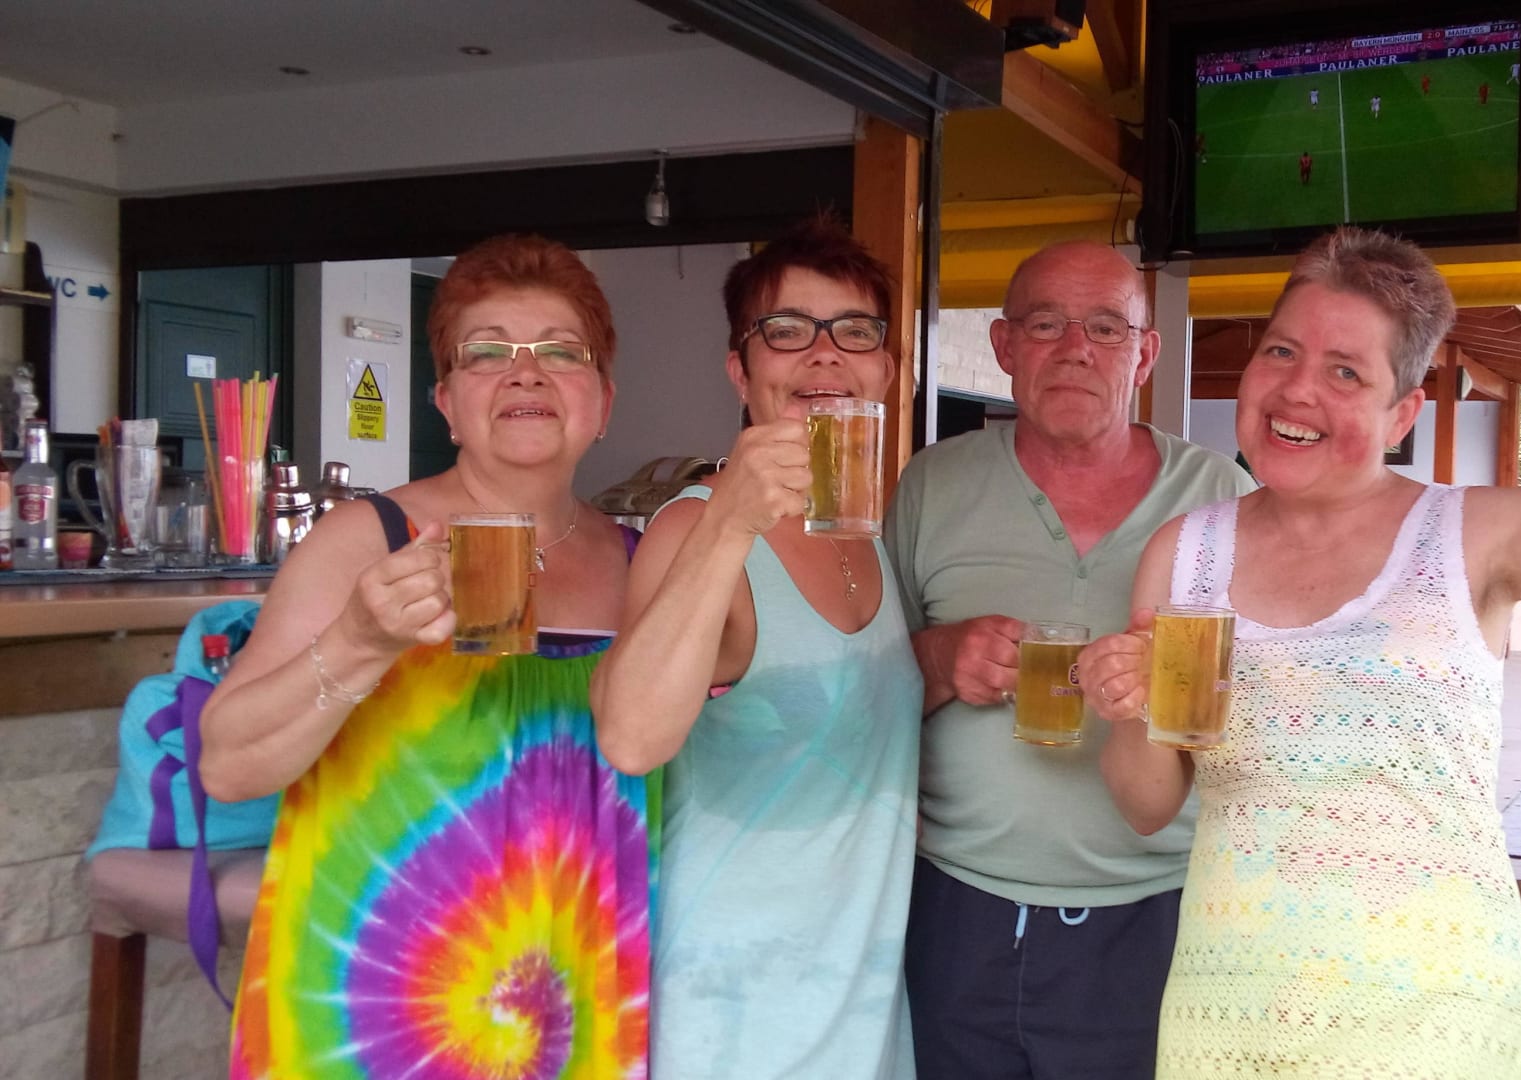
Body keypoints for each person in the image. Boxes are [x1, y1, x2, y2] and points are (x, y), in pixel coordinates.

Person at [1079, 120, 1521, 1078]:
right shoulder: (1185, 552)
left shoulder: (1477, 534)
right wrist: (1127, 707)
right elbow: (1148, 805)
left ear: (1402, 412)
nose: (1298, 390)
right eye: (1281, 351)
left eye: (1346, 371)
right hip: (1231, 1016)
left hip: (1433, 1026)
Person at [201, 235, 649, 1077]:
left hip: (581, 993)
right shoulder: (367, 539)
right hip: (372, 1003)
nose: (525, 374)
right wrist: (360, 641)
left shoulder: (642, 562)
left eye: (561, 352)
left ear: (604, 401)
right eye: (487, 353)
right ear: (445, 401)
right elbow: (228, 766)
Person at [886, 241, 1255, 1079]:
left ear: (1145, 354)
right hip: (954, 913)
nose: (1076, 348)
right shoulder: (932, 485)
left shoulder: (1220, 498)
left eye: (1106, 327)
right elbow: (867, 687)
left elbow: (1262, 708)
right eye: (1046, 323)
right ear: (1004, 345)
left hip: (1156, 915)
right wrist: (940, 659)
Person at [591, 216, 919, 1078]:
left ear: (886, 370)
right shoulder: (695, 527)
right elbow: (631, 735)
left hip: (861, 1011)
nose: (825, 354)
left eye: (855, 331)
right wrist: (731, 519)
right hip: (735, 1021)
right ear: (741, 370)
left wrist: (950, 657)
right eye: (787, 330)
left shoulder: (864, 530)